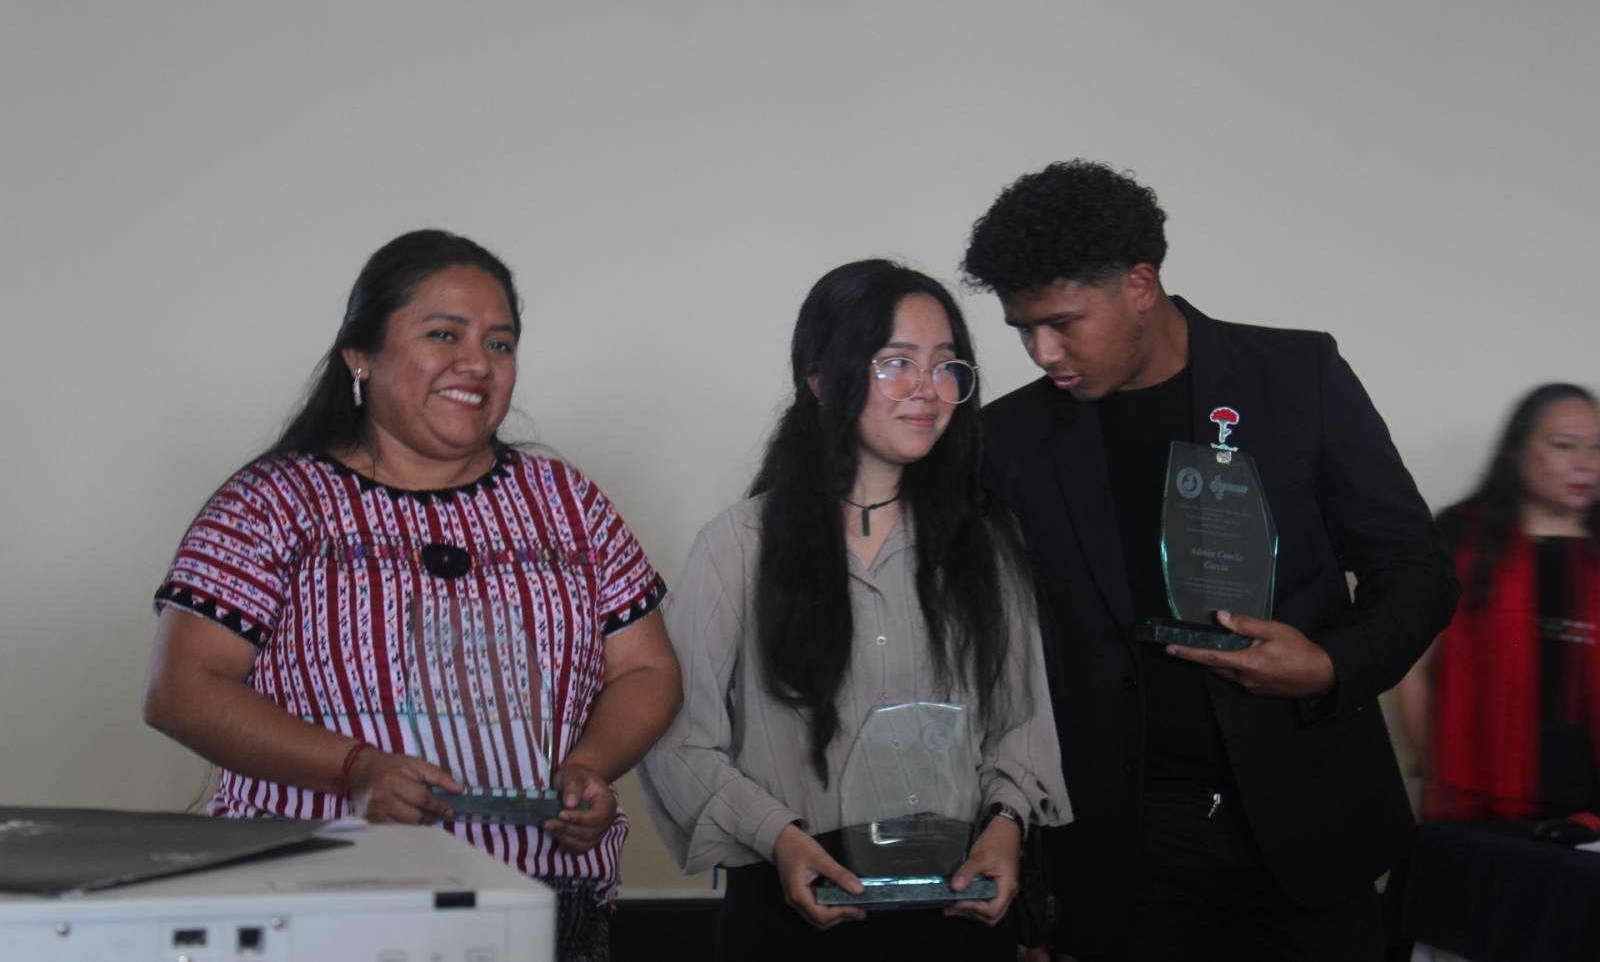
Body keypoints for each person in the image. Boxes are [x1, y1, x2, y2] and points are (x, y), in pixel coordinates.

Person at [961, 160, 1459, 961]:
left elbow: (1419, 569)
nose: (1041, 351)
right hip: (1122, 851)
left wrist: (1331, 664)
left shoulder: (1299, 378)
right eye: (1022, 328)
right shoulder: (1010, 439)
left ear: (1140, 284)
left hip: (1309, 828)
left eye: (1062, 321)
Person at [141, 230, 681, 962]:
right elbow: (181, 688)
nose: (476, 364)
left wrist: (590, 764)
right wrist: (353, 768)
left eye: (499, 343)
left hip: (537, 899)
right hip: (316, 894)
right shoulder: (273, 503)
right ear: (360, 354)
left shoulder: (567, 503)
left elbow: (647, 669)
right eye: (443, 334)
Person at [639, 259, 1068, 961]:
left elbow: (1022, 722)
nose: (927, 390)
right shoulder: (738, 545)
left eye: (945, 366)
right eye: (894, 363)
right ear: (819, 379)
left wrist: (1005, 825)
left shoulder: (987, 544)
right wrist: (777, 835)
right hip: (791, 907)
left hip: (954, 908)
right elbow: (681, 738)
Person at [1396, 384, 1600, 822]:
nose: (1585, 463)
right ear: (1518, 451)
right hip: (1479, 794)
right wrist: (1432, 767)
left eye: (1597, 448)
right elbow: (1412, 668)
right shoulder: (1465, 538)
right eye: (1564, 446)